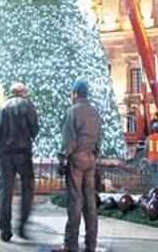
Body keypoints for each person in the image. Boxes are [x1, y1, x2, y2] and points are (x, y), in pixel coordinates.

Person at [56, 80, 101, 252]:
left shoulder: (73, 111)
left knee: (75, 201)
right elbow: (99, 138)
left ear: (75, 94)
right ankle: (91, 245)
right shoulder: (95, 112)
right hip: (90, 158)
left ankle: (70, 245)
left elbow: (68, 141)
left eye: (71, 93)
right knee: (90, 201)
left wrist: (62, 159)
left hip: (76, 159)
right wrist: (94, 154)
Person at [0, 82, 39, 241]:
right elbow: (34, 130)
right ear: (20, 92)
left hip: (5, 153)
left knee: (5, 191)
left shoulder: (0, 107)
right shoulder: (27, 105)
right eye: (25, 91)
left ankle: (5, 230)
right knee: (27, 189)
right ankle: (22, 226)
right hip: (23, 152)